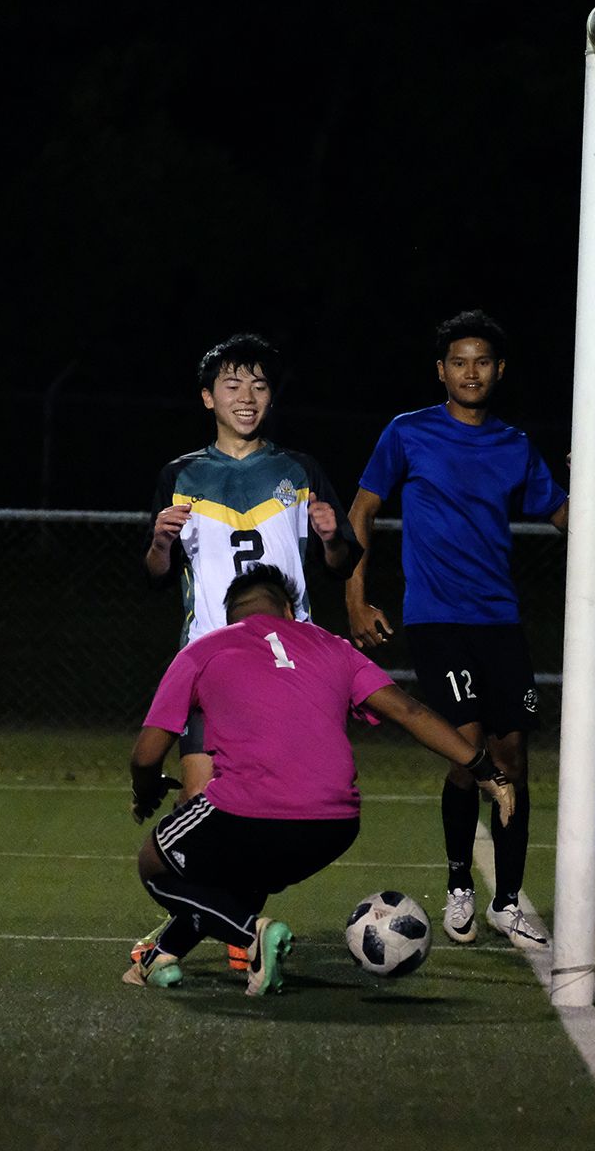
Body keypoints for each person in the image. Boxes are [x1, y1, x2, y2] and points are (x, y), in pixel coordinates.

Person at [123, 564, 514, 993]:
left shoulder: (202, 650)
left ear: (230, 615)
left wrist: (145, 792)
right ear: (290, 611)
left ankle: (250, 935)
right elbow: (410, 711)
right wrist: (482, 767)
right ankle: (163, 955)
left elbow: (146, 757)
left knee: (155, 863)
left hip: (248, 809)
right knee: (242, 877)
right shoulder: (335, 647)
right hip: (334, 824)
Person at [344, 309, 568, 951]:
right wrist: (357, 599)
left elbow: (561, 513)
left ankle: (507, 902)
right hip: (437, 618)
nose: (471, 372)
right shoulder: (408, 433)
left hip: (500, 622)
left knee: (513, 760)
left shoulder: (514, 444)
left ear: (499, 371)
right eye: (459, 361)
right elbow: (363, 509)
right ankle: (458, 885)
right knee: (465, 750)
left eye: (484, 362)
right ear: (441, 370)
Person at [138, 332, 362, 970]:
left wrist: (330, 540)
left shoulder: (299, 470)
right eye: (233, 385)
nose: (247, 397)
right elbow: (157, 575)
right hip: (212, 667)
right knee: (201, 810)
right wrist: (158, 542)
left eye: (259, 386)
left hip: (290, 673)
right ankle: (241, 931)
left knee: (259, 813)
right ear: (208, 397)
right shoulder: (181, 475)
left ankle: (231, 939)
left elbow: (343, 558)